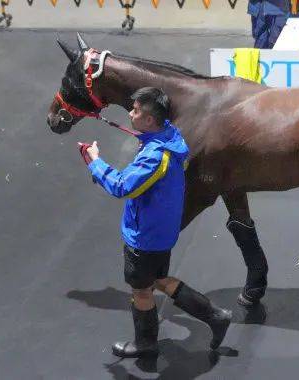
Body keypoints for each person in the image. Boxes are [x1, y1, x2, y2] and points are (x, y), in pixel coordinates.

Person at [79, 87, 232, 358]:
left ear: (150, 119)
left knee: (142, 290)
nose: (130, 113)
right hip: (163, 232)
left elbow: (122, 187)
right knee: (160, 279)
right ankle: (215, 316)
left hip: (145, 237)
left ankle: (146, 343)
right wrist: (147, 138)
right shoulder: (170, 135)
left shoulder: (155, 156)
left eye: (136, 110)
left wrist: (94, 162)